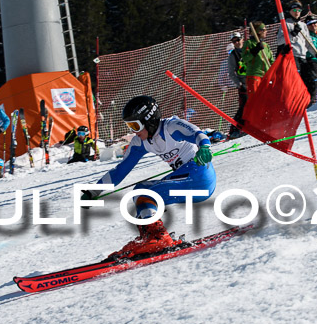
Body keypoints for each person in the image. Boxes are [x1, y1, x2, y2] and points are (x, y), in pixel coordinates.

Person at [81, 96, 216, 259]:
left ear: (149, 120)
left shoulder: (171, 127)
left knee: (145, 194)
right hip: (185, 178)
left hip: (198, 175)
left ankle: (158, 238)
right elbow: (120, 170)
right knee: (140, 190)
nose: (133, 131)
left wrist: (205, 147)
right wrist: (94, 191)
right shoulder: (141, 142)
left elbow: (197, 134)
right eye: (130, 126)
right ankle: (149, 237)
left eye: (135, 125)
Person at [277, 0, 317, 105]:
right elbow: (279, 41)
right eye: (294, 9)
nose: (296, 12)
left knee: (311, 78)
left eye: (299, 10)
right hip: (292, 56)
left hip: (303, 56)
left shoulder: (303, 25)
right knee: (296, 80)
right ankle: (294, 102)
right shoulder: (286, 24)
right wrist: (292, 34)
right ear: (290, 11)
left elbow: (308, 43)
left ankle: (309, 103)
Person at [243, 21, 275, 96]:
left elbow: (271, 61)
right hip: (254, 75)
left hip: (266, 76)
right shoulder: (249, 43)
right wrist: (255, 50)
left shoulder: (266, 45)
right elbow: (245, 58)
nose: (265, 32)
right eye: (263, 30)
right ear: (257, 32)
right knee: (255, 99)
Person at [226, 31, 247, 139]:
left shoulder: (248, 49)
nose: (237, 42)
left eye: (238, 40)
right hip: (244, 84)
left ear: (242, 39)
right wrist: (239, 84)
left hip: (255, 80)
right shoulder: (233, 55)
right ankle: (235, 129)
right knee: (244, 107)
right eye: (234, 41)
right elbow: (231, 73)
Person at [303, 17, 317, 105]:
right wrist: (314, 57)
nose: (313, 25)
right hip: (310, 62)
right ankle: (311, 103)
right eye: (310, 24)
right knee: (313, 83)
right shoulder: (307, 36)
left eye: (315, 23)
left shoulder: (316, 36)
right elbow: (307, 52)